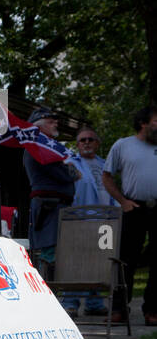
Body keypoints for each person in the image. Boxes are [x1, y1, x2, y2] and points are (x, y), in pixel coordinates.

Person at [102, 106, 157, 325]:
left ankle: (152, 310)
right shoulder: (123, 145)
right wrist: (123, 202)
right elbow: (107, 177)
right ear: (144, 123)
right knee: (125, 260)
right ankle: (119, 309)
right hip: (133, 208)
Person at [61, 127, 116, 316]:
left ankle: (94, 303)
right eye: (82, 140)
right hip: (79, 221)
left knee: (99, 262)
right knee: (76, 262)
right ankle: (71, 303)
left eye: (90, 139)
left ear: (97, 143)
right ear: (77, 144)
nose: (86, 143)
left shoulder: (105, 165)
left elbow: (112, 192)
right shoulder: (70, 163)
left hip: (104, 222)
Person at [23, 108, 80, 280]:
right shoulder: (39, 146)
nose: (55, 123)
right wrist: (72, 170)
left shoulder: (44, 146)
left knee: (57, 254)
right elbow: (66, 174)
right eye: (50, 121)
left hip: (55, 206)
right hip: (50, 207)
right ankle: (48, 297)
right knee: (50, 255)